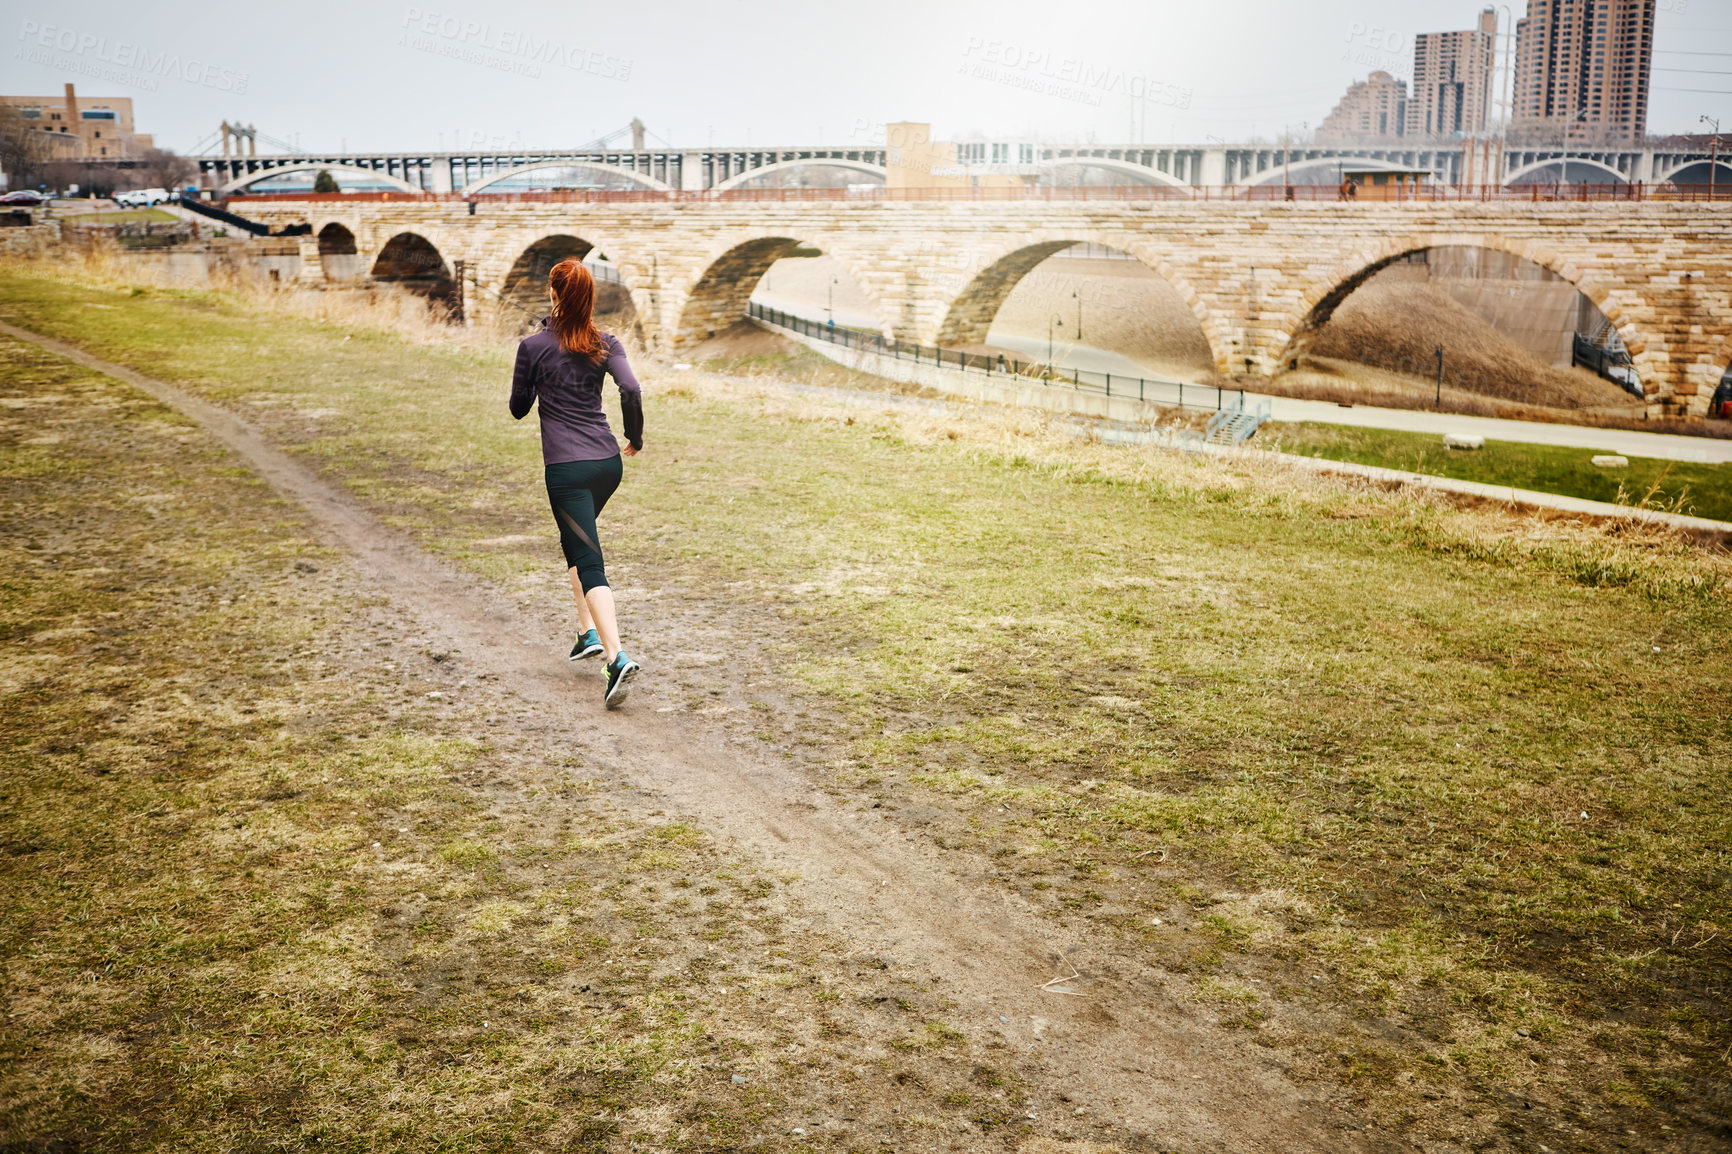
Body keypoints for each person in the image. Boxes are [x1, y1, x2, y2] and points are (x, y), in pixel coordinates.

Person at [509, 259, 645, 707]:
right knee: (576, 540)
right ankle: (586, 632)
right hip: (608, 465)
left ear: (553, 293)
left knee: (589, 559)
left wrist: (536, 375)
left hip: (566, 472)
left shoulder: (533, 346)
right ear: (590, 297)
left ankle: (615, 657)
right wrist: (635, 437)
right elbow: (630, 390)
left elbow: (518, 408)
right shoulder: (606, 343)